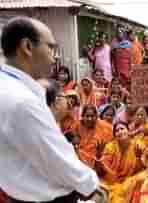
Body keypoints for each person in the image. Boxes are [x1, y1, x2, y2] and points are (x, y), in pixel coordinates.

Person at [0, 17, 98, 203]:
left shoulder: (8, 87)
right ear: (27, 47)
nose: (55, 56)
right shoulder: (22, 101)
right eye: (50, 47)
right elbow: (58, 161)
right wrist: (93, 187)